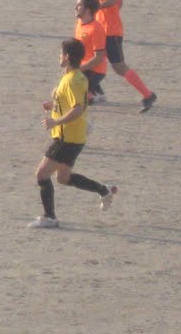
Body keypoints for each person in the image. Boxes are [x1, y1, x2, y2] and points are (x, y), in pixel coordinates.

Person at [31, 38, 117, 228]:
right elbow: (72, 105)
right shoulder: (74, 77)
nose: (59, 56)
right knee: (63, 177)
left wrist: (56, 121)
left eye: (61, 53)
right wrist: (53, 106)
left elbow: (78, 109)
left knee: (42, 174)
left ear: (68, 57)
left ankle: (49, 217)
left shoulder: (72, 80)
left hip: (66, 137)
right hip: (74, 137)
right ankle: (104, 190)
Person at [90, 0, 156, 111]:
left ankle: (148, 95)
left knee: (119, 67)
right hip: (101, 30)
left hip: (110, 32)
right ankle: (93, 94)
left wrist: (97, 7)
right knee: (92, 61)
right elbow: (120, 0)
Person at [73, 0, 109, 103]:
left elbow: (99, 57)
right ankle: (96, 92)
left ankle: (91, 95)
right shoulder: (80, 22)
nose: (75, 7)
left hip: (95, 71)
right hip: (84, 67)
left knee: (75, 97)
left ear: (88, 10)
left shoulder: (96, 29)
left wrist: (81, 68)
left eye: (79, 6)